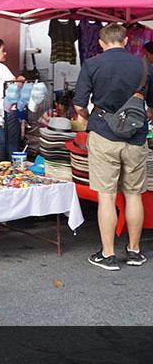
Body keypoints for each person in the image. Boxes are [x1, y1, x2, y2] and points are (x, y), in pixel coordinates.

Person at [73, 23, 153, 271]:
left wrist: (89, 119)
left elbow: (78, 105)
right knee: (133, 194)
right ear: (126, 40)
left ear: (101, 42)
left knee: (106, 196)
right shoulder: (143, 65)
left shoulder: (92, 64)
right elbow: (151, 106)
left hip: (103, 134)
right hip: (136, 138)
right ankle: (134, 251)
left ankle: (108, 255)